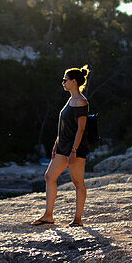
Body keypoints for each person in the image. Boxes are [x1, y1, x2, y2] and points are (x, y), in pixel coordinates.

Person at [32, 65, 90, 227]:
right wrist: (56, 143)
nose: (63, 82)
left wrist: (74, 150)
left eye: (65, 80)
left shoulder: (81, 102)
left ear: (73, 81)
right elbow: (65, 125)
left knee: (78, 182)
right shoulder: (70, 100)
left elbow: (81, 128)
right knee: (49, 176)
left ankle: (77, 219)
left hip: (75, 148)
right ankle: (48, 215)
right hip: (62, 146)